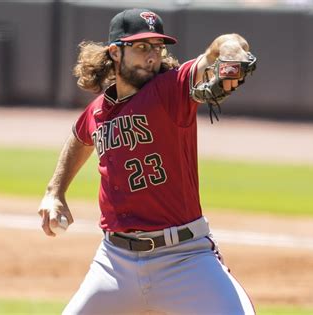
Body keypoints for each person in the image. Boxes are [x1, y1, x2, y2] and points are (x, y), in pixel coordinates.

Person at [38, 8, 256, 315]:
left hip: (185, 259)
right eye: (142, 47)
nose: (152, 56)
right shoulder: (99, 110)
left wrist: (232, 49)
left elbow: (220, 46)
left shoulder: (172, 89)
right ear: (115, 52)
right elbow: (79, 136)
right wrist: (55, 191)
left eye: (157, 47)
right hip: (115, 263)